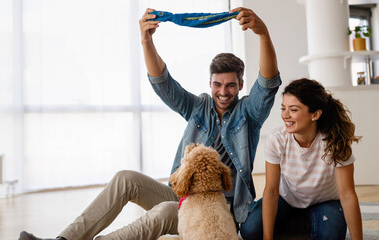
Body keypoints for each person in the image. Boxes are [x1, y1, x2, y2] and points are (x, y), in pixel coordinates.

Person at [19, 7, 281, 240]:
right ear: (210, 83)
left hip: (218, 208)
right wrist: (146, 39)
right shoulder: (199, 106)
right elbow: (163, 83)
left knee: (166, 211)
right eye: (217, 84)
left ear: (240, 85)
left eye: (230, 85)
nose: (223, 91)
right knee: (125, 178)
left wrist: (263, 34)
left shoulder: (249, 113)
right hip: (182, 196)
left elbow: (268, 84)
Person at [240, 79, 363, 240]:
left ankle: (305, 224)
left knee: (330, 236)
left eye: (293, 109)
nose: (285, 115)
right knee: (249, 231)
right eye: (283, 108)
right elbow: (271, 191)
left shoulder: (335, 141)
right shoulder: (277, 139)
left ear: (315, 114)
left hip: (325, 202)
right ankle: (303, 225)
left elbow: (347, 194)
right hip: (287, 199)